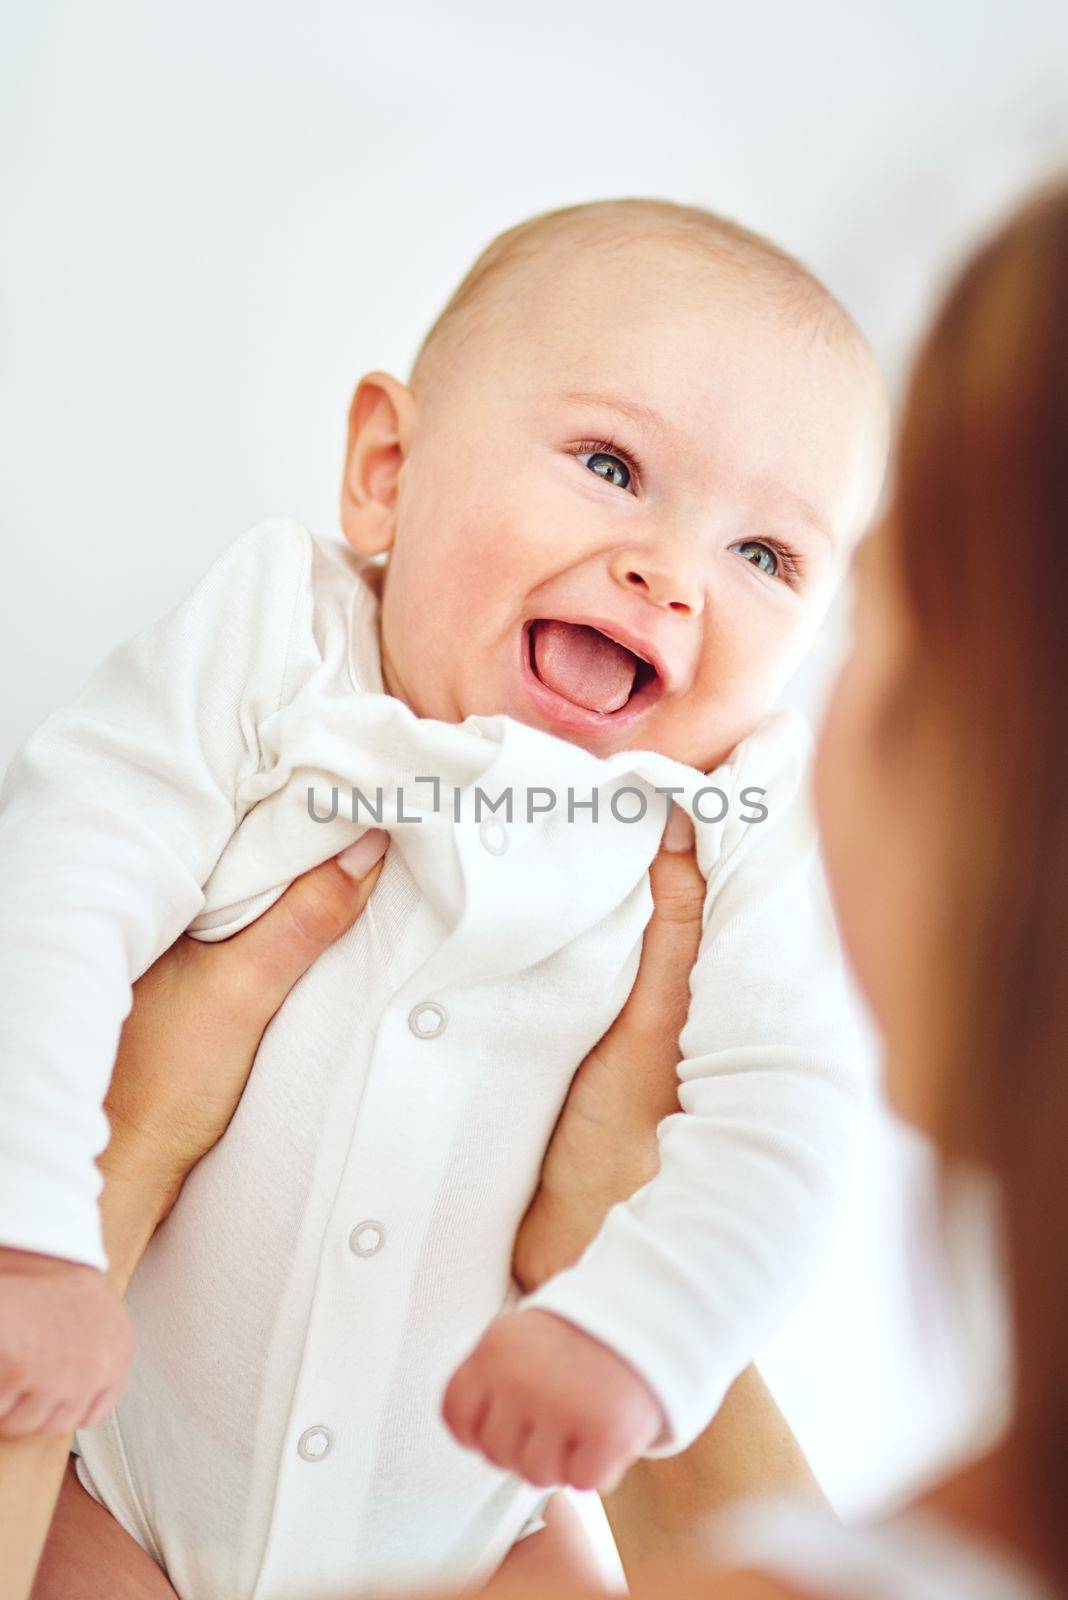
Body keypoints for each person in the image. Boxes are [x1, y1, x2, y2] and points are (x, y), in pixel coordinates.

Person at [19, 172, 1068, 1599]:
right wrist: (34, 1238)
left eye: (763, 554)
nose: (669, 573)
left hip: (473, 1537)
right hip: (133, 1484)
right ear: (388, 469)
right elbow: (57, 888)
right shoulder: (280, 640)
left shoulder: (734, 814)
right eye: (612, 467)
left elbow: (789, 1110)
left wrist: (637, 1331)